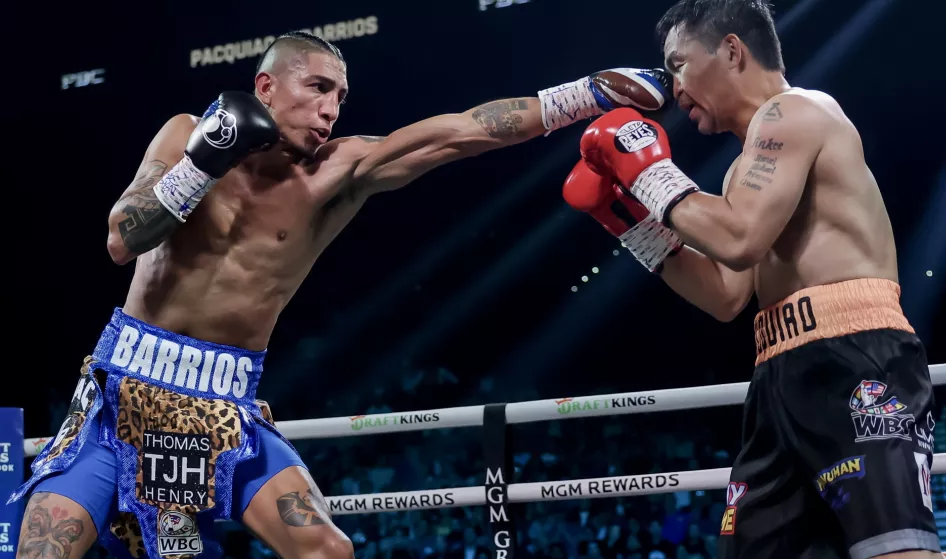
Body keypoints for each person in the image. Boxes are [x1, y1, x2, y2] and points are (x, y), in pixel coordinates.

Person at [7, 31, 673, 559]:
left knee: (327, 547)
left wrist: (585, 92)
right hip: (125, 386)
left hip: (224, 405)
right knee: (42, 546)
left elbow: (464, 129)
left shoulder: (339, 171)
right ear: (265, 86)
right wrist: (202, 162)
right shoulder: (187, 133)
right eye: (317, 87)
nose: (330, 109)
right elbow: (123, 238)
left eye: (340, 97)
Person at [563, 1, 942, 558]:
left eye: (679, 64)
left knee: (895, 552)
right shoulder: (745, 168)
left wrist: (644, 171)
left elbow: (739, 237)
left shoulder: (794, 112)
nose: (672, 88)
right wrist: (625, 219)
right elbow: (725, 293)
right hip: (779, 375)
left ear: (732, 50)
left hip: (857, 360)